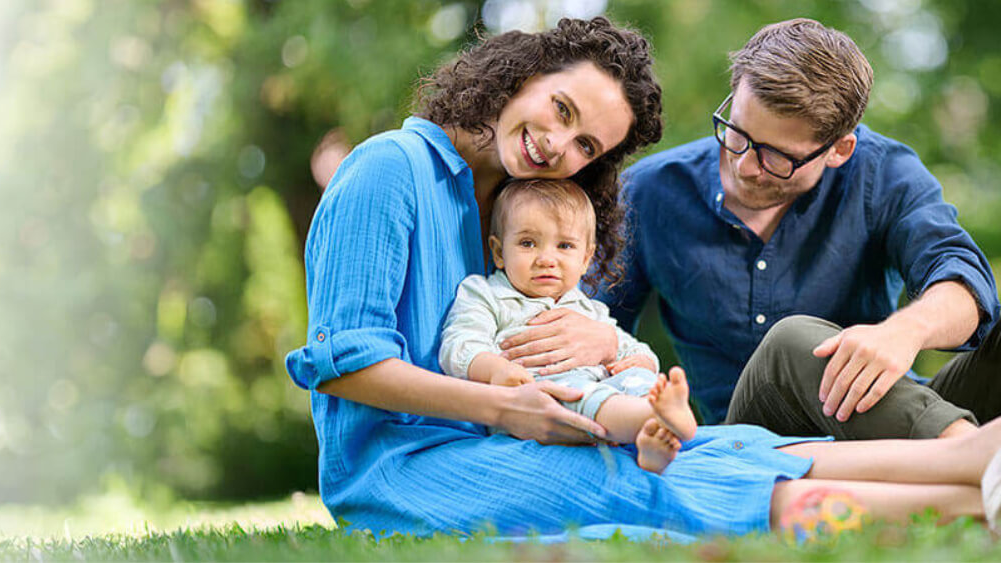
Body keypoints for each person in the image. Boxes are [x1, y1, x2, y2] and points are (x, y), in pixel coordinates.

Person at [285, 16, 1001, 538]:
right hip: (404, 463)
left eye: (586, 144)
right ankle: (970, 494)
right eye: (561, 110)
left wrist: (612, 374)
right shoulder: (391, 169)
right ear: (524, 72)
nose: (557, 145)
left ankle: (971, 457)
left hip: (495, 436)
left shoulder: (502, 206)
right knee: (637, 481)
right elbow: (345, 361)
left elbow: (962, 275)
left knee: (711, 446)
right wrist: (508, 403)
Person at [509, 18, 1001, 439]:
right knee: (794, 341)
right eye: (738, 133)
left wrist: (905, 331)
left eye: (777, 157)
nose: (745, 165)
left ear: (838, 150)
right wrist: (606, 343)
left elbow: (966, 286)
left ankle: (955, 453)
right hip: (750, 442)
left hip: (892, 420)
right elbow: (579, 319)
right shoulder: (651, 192)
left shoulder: (881, 172)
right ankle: (971, 455)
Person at [438, 177, 694, 473]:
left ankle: (652, 444)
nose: (547, 259)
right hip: (539, 398)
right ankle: (652, 419)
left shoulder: (587, 307)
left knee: (636, 377)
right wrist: (495, 369)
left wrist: (641, 361)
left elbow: (624, 345)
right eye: (527, 243)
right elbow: (459, 344)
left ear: (586, 259)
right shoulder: (486, 294)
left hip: (600, 391)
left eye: (564, 246)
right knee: (575, 392)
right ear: (498, 252)